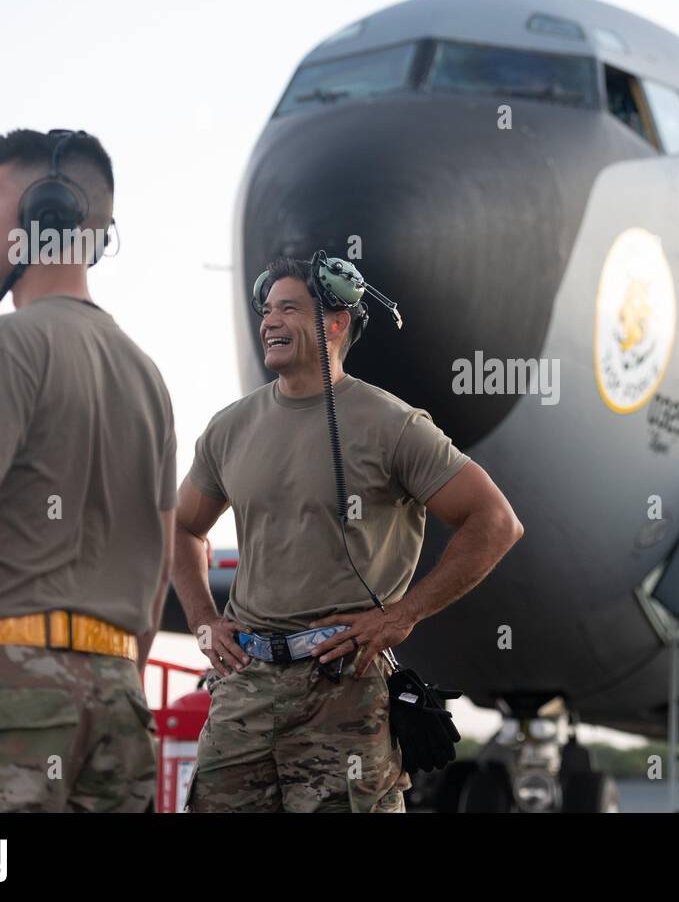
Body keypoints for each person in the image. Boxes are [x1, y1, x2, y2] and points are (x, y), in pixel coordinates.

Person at [0, 129, 176, 811]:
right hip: (119, 701)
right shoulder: (147, 374)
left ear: (45, 214)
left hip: (4, 688)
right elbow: (161, 559)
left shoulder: (6, 343)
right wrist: (115, 682)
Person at [173, 255, 523, 812]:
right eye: (266, 309)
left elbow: (496, 521)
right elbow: (183, 528)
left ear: (336, 322)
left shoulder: (393, 424)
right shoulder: (229, 428)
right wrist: (203, 622)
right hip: (244, 693)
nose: (269, 321)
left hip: (343, 689)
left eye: (289, 308)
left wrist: (401, 615)